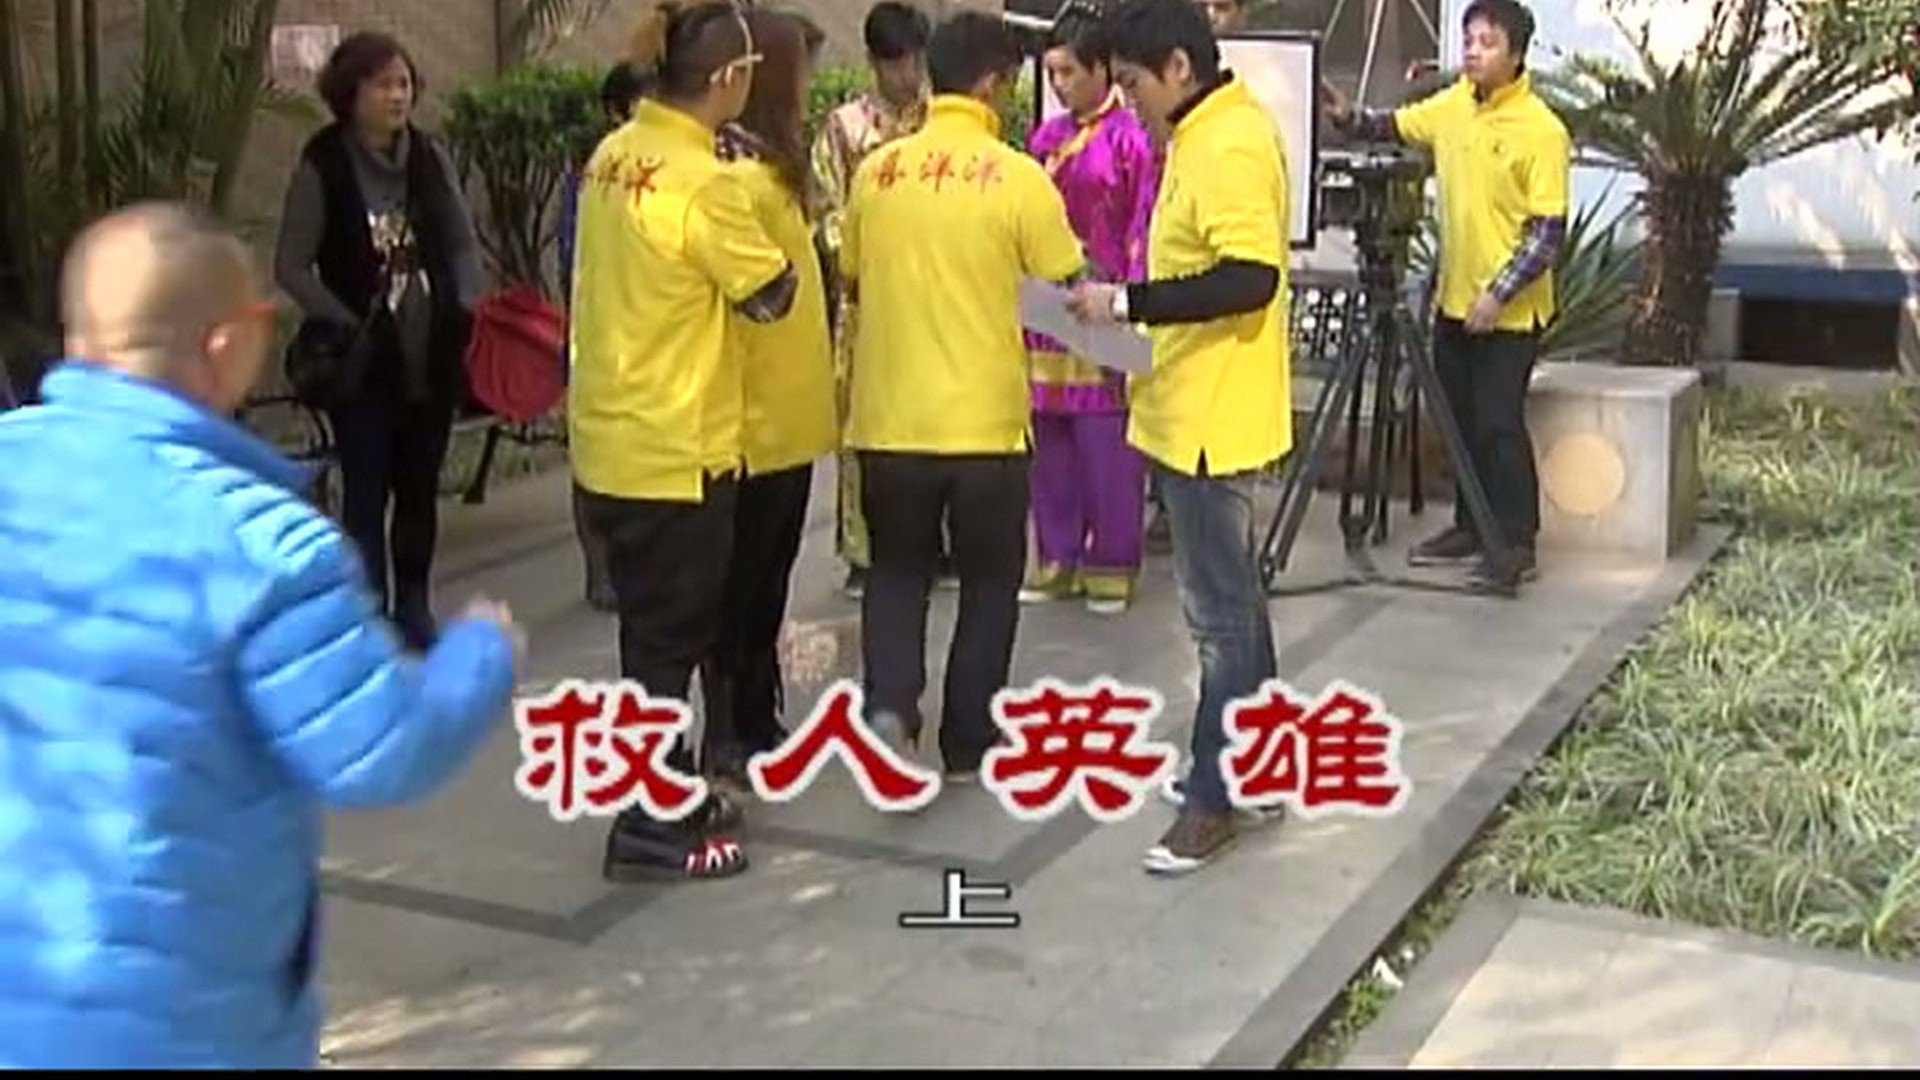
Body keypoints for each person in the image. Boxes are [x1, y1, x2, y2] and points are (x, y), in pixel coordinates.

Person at [0, 203, 523, 1068]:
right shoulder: (263, 545)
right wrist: (479, 655)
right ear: (227, 345)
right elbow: (380, 747)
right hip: (188, 1025)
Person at [570, 0, 797, 882]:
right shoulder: (704, 181)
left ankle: (666, 791)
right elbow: (770, 294)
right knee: (670, 647)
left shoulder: (614, 154)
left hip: (611, 436)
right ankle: (648, 827)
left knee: (650, 639)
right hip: (678, 443)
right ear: (730, 79)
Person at [1071, 0, 1291, 875]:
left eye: (1132, 84)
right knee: (1237, 607)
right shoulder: (1200, 133)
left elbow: (1249, 278)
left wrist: (1127, 302)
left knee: (1219, 621)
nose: (1127, 101)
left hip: (1212, 418)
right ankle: (1252, 770)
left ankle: (1212, 800)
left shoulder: (1228, 144)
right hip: (1187, 403)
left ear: (1178, 68)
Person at [842, 10, 1085, 780]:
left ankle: (890, 708)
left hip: (889, 419)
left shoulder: (876, 173)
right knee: (988, 582)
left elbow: (850, 274)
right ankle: (969, 736)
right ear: (990, 84)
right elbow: (1064, 279)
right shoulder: (1018, 177)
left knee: (896, 571)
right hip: (985, 426)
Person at [1323, 0, 1568, 593]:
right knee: (1457, 421)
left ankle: (1515, 542)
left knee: (1498, 425)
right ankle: (1469, 525)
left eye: (1487, 42)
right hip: (1454, 300)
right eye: (1469, 39)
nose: (1473, 51)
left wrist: (1498, 295)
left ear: (1516, 53)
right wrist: (1346, 115)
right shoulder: (1453, 105)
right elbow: (1391, 126)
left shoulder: (1541, 129)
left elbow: (1546, 234)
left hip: (1510, 313)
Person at [275, 31, 486, 651]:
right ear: (350, 92)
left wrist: (465, 303)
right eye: (383, 84)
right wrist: (342, 322)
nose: (398, 96)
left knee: (419, 489)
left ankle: (414, 604)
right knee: (365, 494)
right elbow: (291, 264)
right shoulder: (324, 163)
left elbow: (461, 243)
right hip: (362, 362)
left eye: (404, 84)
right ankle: (369, 613)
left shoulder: (428, 156)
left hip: (429, 351)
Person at [700, 9, 837, 788]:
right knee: (739, 584)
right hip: (749, 421)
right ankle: (727, 729)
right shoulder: (734, 181)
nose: (809, 88)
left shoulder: (774, 171)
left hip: (789, 416)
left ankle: (757, 714)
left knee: (769, 579)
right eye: (802, 72)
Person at [811, 1, 955, 600]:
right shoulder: (845, 129)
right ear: (873, 62)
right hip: (867, 306)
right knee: (864, 426)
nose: (908, 76)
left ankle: (937, 544)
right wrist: (869, 257)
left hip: (938, 301)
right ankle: (864, 549)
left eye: (916, 62)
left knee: (939, 417)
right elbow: (826, 213)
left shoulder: (941, 124)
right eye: (896, 64)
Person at [1018, 6, 1158, 617]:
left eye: (1069, 72)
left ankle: (1112, 564)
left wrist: (1130, 297)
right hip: (1047, 309)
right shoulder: (1043, 140)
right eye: (1051, 73)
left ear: (1102, 68)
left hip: (1106, 307)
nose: (1059, 85)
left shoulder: (1133, 138)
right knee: (1050, 441)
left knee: (1107, 443)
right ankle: (1058, 557)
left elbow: (1142, 224)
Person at [560, 63, 649, 614]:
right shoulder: (595, 173)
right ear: (614, 112)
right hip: (595, 332)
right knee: (589, 457)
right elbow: (572, 258)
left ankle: (633, 562)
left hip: (645, 334)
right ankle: (598, 567)